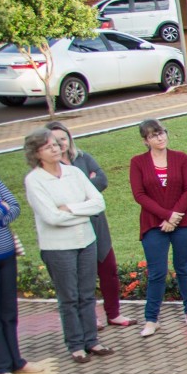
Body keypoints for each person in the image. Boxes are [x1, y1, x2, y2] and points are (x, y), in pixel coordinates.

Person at [22, 128, 111, 363]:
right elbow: (52, 217)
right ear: (36, 153)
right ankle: (75, 344)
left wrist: (71, 208)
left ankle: (91, 340)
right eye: (48, 146)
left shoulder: (73, 172)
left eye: (56, 144)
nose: (55, 148)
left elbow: (98, 203)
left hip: (86, 240)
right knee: (69, 297)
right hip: (58, 247)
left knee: (87, 293)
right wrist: (83, 210)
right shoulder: (35, 180)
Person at [45, 120, 132, 330]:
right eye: (55, 141)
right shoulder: (50, 170)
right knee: (83, 276)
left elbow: (101, 180)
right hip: (74, 229)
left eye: (63, 138)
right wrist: (85, 191)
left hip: (97, 224)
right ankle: (89, 317)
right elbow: (60, 200)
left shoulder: (83, 158)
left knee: (108, 270)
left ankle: (114, 313)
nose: (60, 144)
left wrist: (77, 195)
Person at [128, 118, 187, 335]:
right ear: (145, 140)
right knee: (157, 272)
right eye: (153, 135)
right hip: (154, 223)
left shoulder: (181, 158)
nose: (160, 138)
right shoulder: (138, 162)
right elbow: (139, 194)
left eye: (161, 133)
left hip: (184, 221)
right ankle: (151, 318)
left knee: (184, 268)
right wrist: (167, 216)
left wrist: (175, 217)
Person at [0, 172, 37, 374]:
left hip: (6, 254)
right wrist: (1, 210)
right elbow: (6, 207)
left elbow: (15, 206)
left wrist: (2, 212)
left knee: (9, 311)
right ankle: (0, 366)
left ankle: (16, 360)